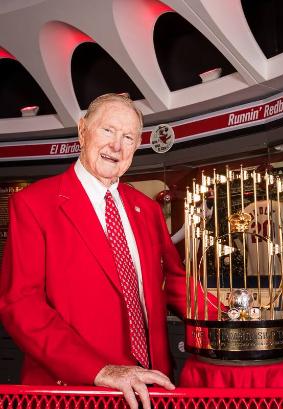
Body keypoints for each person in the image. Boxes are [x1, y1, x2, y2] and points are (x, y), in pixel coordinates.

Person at [0, 94, 189, 409]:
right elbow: (21, 304)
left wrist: (232, 317)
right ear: (82, 130)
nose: (117, 145)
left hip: (151, 386)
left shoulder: (147, 209)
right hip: (77, 390)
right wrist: (99, 371)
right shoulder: (35, 204)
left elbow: (174, 282)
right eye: (108, 131)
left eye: (128, 137)